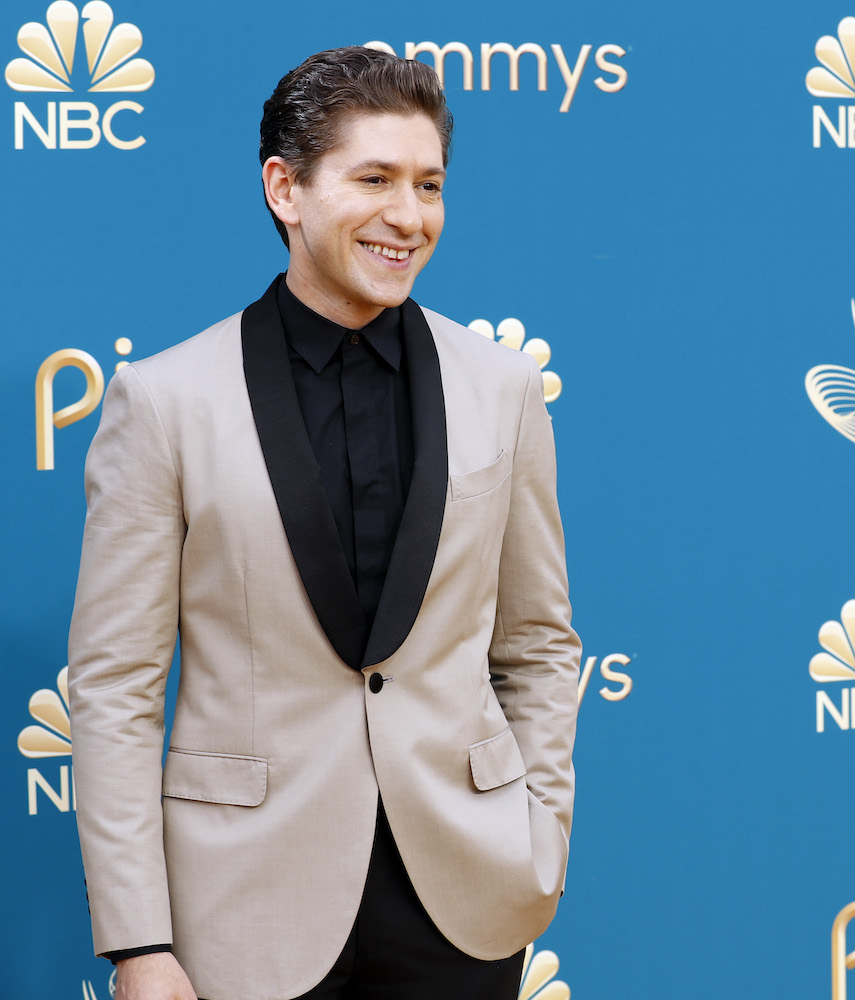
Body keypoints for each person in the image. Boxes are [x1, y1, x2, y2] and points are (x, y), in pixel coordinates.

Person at [67, 46, 579, 1000]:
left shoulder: (502, 388)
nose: (409, 216)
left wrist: (538, 831)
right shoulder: (166, 401)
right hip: (244, 909)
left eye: (428, 184)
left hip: (466, 901)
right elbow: (116, 688)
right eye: (374, 179)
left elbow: (540, 642)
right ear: (286, 190)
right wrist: (139, 942)